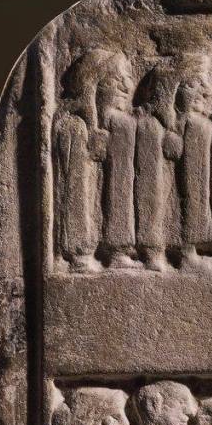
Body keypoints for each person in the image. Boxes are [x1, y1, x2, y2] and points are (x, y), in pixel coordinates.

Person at [51, 50, 140, 271]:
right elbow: (72, 194)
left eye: (127, 79)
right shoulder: (73, 126)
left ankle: (117, 250)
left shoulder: (118, 127)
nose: (127, 88)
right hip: (79, 245)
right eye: (115, 80)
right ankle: (79, 255)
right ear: (92, 87)